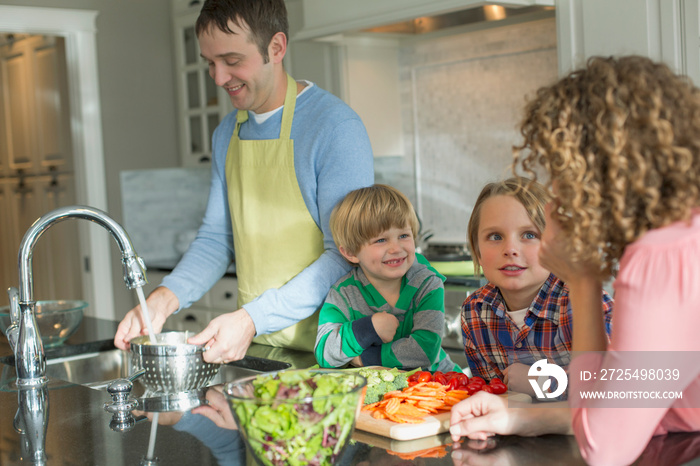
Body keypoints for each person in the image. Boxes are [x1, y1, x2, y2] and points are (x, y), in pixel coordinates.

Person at [450, 55, 700, 466]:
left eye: (562, 168)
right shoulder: (682, 236)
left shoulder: (658, 259)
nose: (559, 188)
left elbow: (604, 447)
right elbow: (645, 404)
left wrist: (582, 280)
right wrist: (519, 415)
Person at [114, 0, 374, 362]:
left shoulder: (336, 129)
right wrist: (163, 299)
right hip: (260, 348)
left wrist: (253, 318)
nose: (219, 78)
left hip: (338, 351)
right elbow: (216, 240)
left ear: (276, 47)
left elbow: (345, 256)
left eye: (232, 61)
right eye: (210, 63)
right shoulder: (227, 134)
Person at [461, 177, 613, 394]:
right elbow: (489, 396)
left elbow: (615, 391)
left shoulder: (583, 302)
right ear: (477, 252)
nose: (511, 249)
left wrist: (543, 382)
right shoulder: (473, 311)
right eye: (495, 236)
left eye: (529, 235)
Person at [314, 184, 460, 372]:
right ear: (350, 252)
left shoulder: (427, 282)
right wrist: (369, 328)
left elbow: (424, 351)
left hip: (439, 382)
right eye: (381, 240)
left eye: (404, 235)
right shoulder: (343, 293)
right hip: (388, 394)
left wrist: (364, 359)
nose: (396, 248)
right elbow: (324, 352)